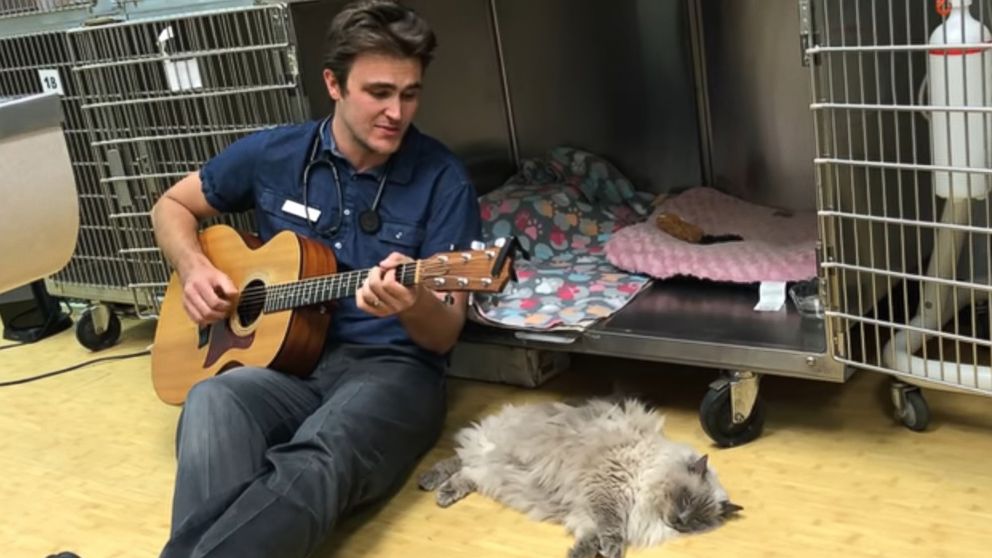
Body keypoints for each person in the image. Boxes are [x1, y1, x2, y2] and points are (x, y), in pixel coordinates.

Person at [150, 1, 482, 556]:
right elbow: (170, 207)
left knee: (319, 452)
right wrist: (195, 268)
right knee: (211, 402)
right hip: (282, 366)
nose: (396, 112)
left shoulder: (444, 180)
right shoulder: (273, 153)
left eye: (410, 93)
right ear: (333, 83)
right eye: (379, 92)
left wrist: (409, 301)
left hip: (390, 371)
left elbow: (443, 333)